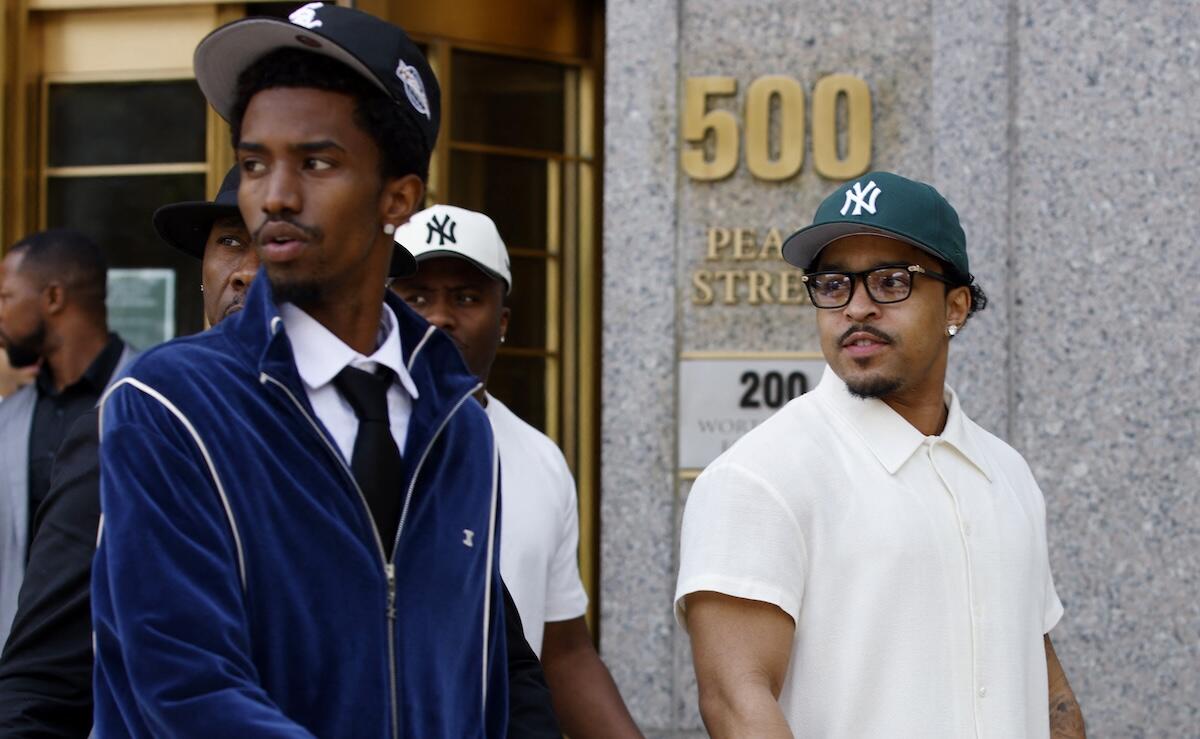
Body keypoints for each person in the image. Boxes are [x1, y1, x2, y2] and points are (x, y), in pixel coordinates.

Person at [92, 6, 512, 736]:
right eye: (256, 163)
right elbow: (186, 689)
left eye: (316, 162)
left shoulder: (461, 429)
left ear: (398, 197)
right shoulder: (169, 404)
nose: (274, 195)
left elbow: (476, 691)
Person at [675, 172, 1086, 738]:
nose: (857, 307)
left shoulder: (1006, 473)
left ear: (956, 306)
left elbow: (1042, 679)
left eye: (891, 281)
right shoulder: (759, 477)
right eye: (833, 284)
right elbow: (736, 703)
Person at [0, 168, 253, 737]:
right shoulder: (135, 422)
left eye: (279, 241)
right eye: (231, 241)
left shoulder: (400, 434)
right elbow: (39, 686)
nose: (247, 272)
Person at [392, 205, 643, 738]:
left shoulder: (539, 457)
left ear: (502, 321)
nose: (439, 318)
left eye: (466, 298)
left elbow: (563, 653)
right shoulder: (350, 433)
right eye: (416, 298)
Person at [0, 229, 135, 650]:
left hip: (127, 664)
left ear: (53, 298)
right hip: (24, 670)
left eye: (5, 297)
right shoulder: (7, 418)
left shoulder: (156, 398)